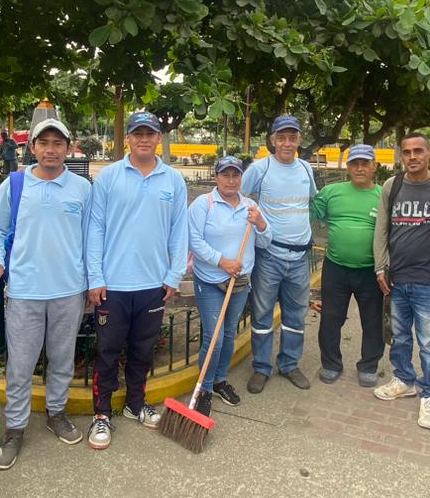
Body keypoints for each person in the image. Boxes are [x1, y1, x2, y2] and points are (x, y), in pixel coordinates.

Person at [0, 117, 91, 470]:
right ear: (32, 147)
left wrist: (92, 281)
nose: (50, 149)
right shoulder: (14, 185)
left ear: (68, 148)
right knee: (20, 365)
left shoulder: (82, 188)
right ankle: (15, 429)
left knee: (62, 359)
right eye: (43, 142)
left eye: (58, 143)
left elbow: (91, 238)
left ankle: (56, 413)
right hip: (25, 291)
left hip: (69, 290)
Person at [85, 111, 188, 449]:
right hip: (113, 285)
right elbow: (95, 229)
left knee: (143, 351)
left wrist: (173, 274)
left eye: (150, 133)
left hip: (153, 285)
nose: (144, 139)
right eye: (138, 133)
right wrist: (95, 277)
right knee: (108, 352)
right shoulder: (109, 177)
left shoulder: (173, 180)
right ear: (127, 138)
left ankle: (135, 404)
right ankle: (102, 415)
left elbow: (179, 230)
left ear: (159, 138)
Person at [371, 132, 430, 430]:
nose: (413, 156)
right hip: (397, 277)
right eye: (407, 152)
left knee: (429, 342)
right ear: (401, 155)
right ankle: (404, 379)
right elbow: (382, 229)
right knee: (400, 335)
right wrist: (380, 267)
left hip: (429, 280)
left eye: (419, 150)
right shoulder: (393, 186)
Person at [187, 156, 271, 416]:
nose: (231, 180)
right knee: (214, 338)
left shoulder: (250, 206)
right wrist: (222, 261)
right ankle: (205, 389)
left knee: (229, 333)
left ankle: (220, 380)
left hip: (240, 282)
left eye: (236, 175)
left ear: (241, 178)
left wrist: (260, 224)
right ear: (217, 177)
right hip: (211, 281)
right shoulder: (204, 204)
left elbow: (266, 241)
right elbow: (194, 241)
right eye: (225, 175)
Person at [241, 115, 318, 392]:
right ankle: (261, 367)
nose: (287, 143)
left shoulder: (306, 169)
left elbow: (311, 200)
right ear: (272, 140)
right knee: (262, 315)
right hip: (269, 256)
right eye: (282, 138)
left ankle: (289, 364)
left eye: (292, 138)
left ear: (299, 140)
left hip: (299, 259)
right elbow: (239, 198)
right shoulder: (260, 169)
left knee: (295, 316)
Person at [310, 144, 384, 387]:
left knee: (372, 321)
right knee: (331, 318)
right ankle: (331, 363)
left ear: (374, 166)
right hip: (336, 268)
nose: (360, 168)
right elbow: (308, 212)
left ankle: (369, 366)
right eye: (355, 164)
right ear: (348, 167)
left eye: (365, 163)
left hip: (371, 271)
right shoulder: (331, 192)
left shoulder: (384, 196)